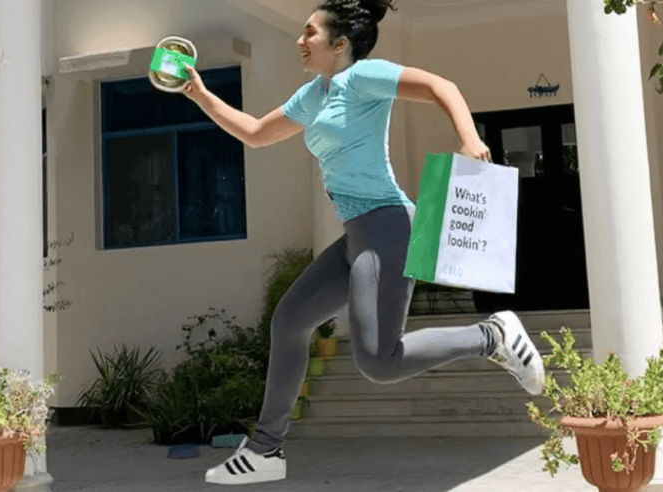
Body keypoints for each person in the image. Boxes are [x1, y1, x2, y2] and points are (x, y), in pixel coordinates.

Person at [180, 0, 545, 485]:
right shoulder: (314, 94)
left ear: (340, 44)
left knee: (379, 361)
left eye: (309, 32)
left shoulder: (364, 77)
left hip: (389, 226)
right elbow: (255, 133)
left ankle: (493, 335)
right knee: (289, 320)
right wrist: (200, 93)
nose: (299, 41)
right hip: (357, 235)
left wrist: (468, 137)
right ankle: (265, 449)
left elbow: (442, 86)